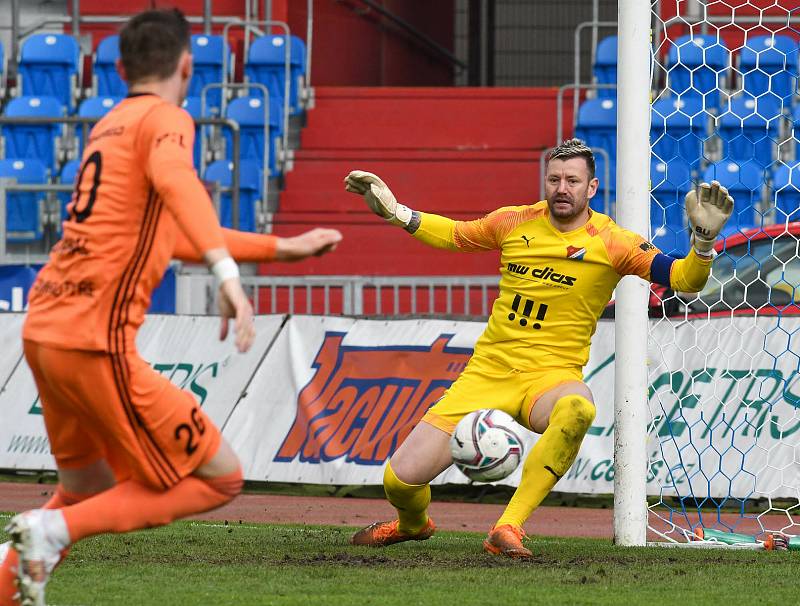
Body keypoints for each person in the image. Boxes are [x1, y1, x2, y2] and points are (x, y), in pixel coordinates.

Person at [0, 9, 341, 606]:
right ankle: (48, 533)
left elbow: (171, 235)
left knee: (85, 490)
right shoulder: (167, 119)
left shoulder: (108, 125)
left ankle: (15, 565)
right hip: (92, 341)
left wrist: (281, 248)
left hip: (44, 332)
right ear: (187, 65)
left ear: (121, 68)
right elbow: (177, 179)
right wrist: (229, 277)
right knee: (219, 478)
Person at [343, 138, 733, 559]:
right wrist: (399, 212)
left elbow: (683, 279)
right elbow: (456, 236)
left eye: (572, 180)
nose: (561, 188)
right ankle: (413, 525)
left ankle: (507, 526)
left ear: (592, 187)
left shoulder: (613, 241)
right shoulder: (513, 222)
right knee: (399, 481)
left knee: (578, 408)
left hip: (550, 378)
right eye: (554, 179)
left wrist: (704, 243)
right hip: (488, 372)